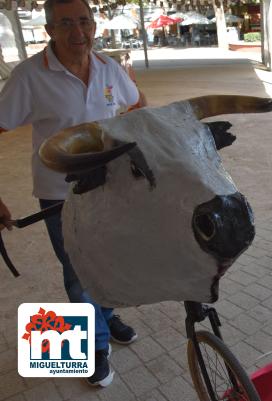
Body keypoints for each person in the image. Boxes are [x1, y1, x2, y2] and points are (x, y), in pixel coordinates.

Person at [0, 0, 147, 388]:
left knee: (113, 260)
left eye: (84, 21)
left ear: (95, 25)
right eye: (66, 23)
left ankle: (107, 316)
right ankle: (94, 344)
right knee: (78, 272)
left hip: (113, 186)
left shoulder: (108, 67)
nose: (77, 32)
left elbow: (136, 103)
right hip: (59, 194)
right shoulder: (29, 76)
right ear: (49, 30)